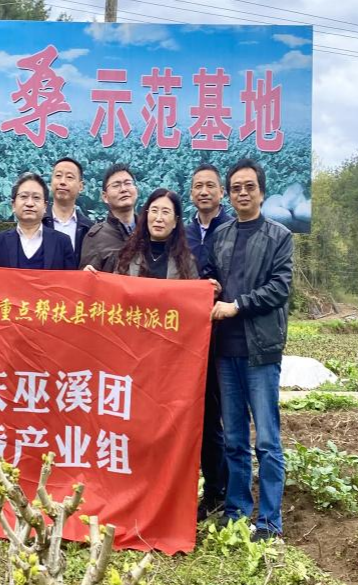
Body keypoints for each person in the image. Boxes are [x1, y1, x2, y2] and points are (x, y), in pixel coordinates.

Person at [208, 158, 293, 542]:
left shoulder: (279, 236)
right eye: (236, 188)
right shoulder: (221, 236)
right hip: (226, 351)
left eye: (249, 187)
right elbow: (211, 277)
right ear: (229, 194)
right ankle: (237, 513)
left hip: (261, 351)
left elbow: (279, 288)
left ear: (262, 192)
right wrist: (209, 286)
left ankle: (270, 521)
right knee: (235, 439)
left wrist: (237, 305)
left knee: (267, 441)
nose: (243, 193)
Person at [185, 163, 231, 521]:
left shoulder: (231, 230)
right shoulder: (183, 233)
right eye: (198, 186)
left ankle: (218, 491)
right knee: (184, 416)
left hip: (220, 337)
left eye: (210, 186)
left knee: (213, 416)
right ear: (191, 193)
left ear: (221, 192)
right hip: (182, 340)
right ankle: (185, 491)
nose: (204, 191)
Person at [0, 173, 75, 270]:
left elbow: (70, 278)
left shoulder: (62, 242)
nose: (30, 203)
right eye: (24, 196)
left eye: (36, 197)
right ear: (13, 205)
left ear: (45, 206)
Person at [110, 188, 199, 279]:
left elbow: (193, 287)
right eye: (154, 211)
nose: (159, 218)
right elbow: (116, 284)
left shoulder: (186, 262)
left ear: (175, 221)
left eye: (165, 212)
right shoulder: (128, 255)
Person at [77, 163, 138, 271]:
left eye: (128, 183)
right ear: (105, 196)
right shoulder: (96, 237)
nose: (123, 189)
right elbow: (87, 278)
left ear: (136, 190)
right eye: (116, 185)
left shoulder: (149, 231)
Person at [44, 157, 93, 266]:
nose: (62, 182)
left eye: (69, 177)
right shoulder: (38, 223)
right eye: (58, 176)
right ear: (51, 182)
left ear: (81, 186)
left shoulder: (89, 229)